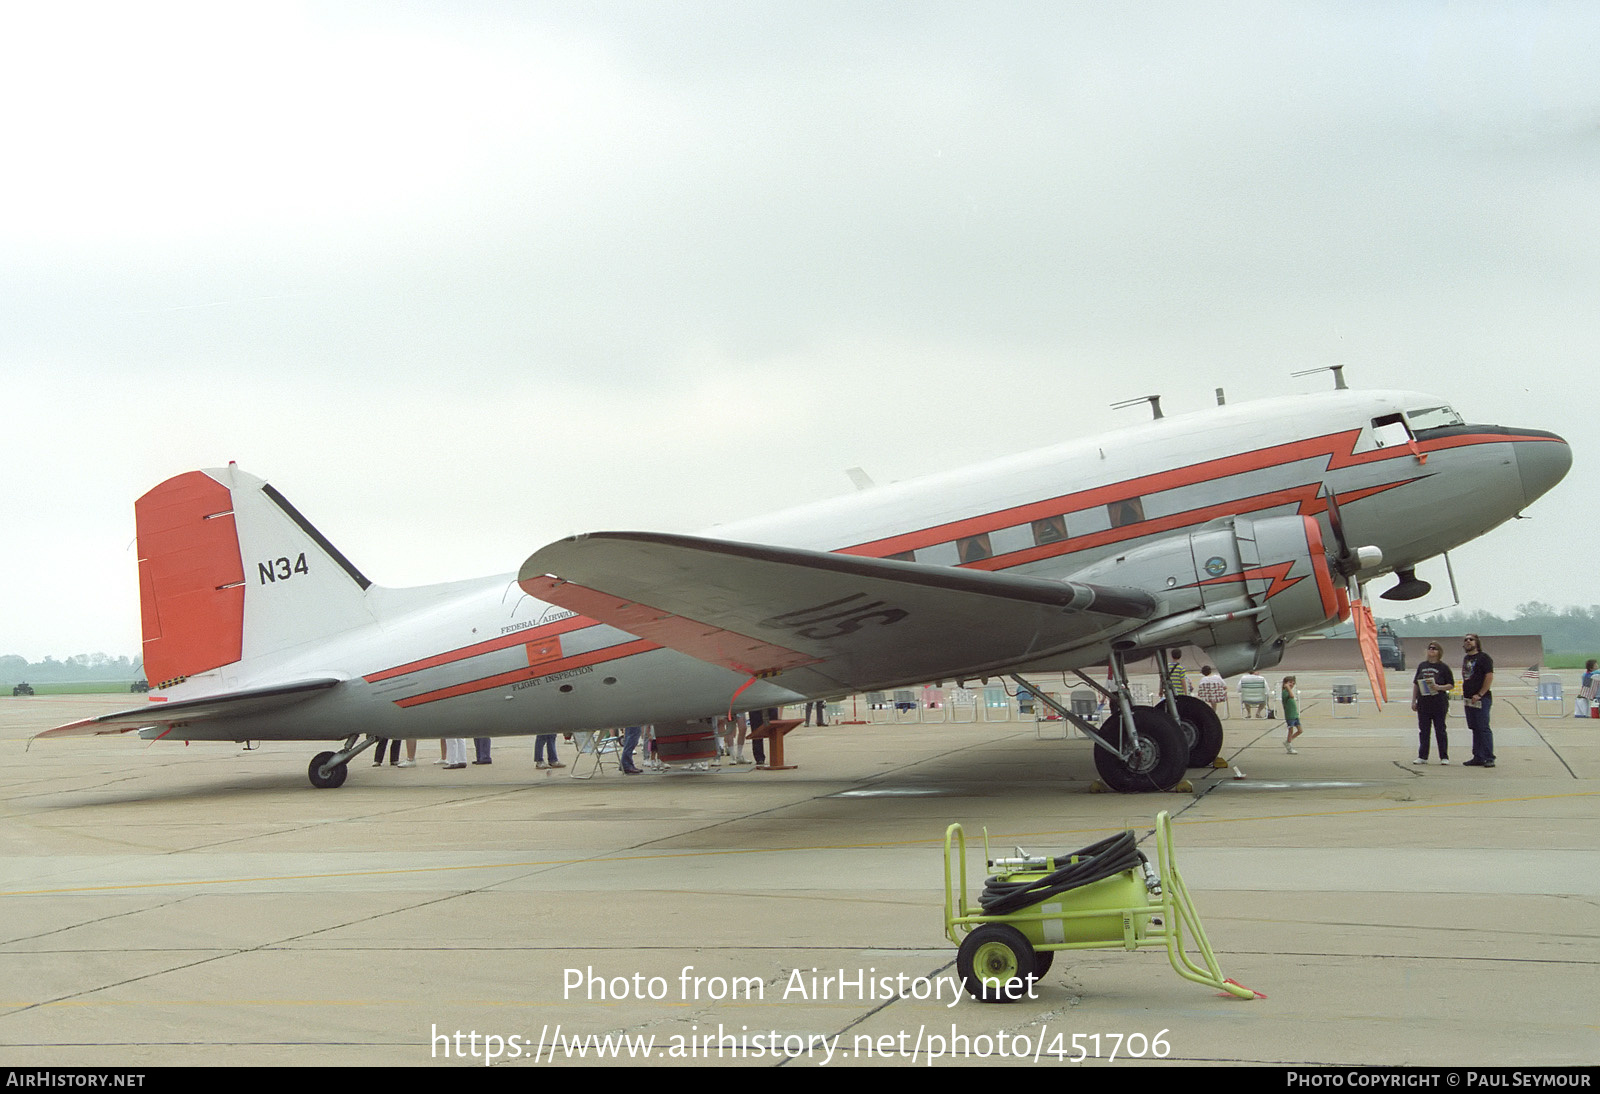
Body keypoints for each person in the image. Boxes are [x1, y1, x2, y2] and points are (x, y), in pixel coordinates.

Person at [1411, 642, 1453, 764]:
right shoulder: (1422, 666)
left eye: (1434, 649)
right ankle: (1423, 756)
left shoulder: (1443, 667)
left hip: (1439, 702)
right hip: (1424, 702)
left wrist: (1439, 687)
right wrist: (1414, 701)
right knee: (1424, 730)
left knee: (1440, 729)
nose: (1432, 650)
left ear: (1439, 652)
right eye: (1430, 648)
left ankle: (1444, 756)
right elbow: (1416, 684)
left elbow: (1451, 684)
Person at [1460, 633, 1495, 768]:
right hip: (1469, 699)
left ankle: (1489, 757)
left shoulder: (1484, 658)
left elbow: (1489, 676)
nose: (1468, 641)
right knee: (1474, 727)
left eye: (1471, 639)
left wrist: (1480, 694)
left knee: (1483, 727)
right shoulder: (1466, 659)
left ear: (1477, 642)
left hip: (1481, 698)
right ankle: (1478, 756)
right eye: (1466, 640)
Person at [1280, 676, 1303, 753]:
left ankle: (1288, 741)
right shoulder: (1285, 692)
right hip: (1290, 715)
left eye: (1293, 683)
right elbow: (1292, 696)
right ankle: (1289, 747)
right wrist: (1287, 687)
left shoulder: (1289, 691)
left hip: (1294, 714)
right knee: (1291, 730)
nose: (1292, 685)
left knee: (1300, 730)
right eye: (1290, 683)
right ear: (1285, 683)